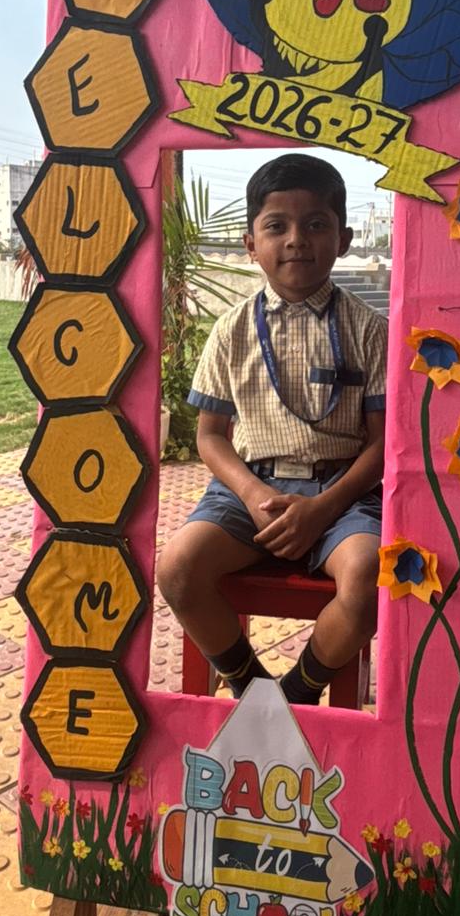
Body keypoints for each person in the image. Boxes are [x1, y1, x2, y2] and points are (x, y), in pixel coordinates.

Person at [157, 154, 386, 704]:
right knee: (177, 569)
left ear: (344, 238)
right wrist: (253, 494)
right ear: (250, 244)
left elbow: (383, 443)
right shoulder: (231, 330)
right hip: (248, 491)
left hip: (343, 494)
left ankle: (299, 691)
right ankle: (254, 690)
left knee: (369, 576)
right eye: (276, 226)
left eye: (316, 224)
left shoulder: (370, 330)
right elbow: (210, 436)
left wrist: (323, 508)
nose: (296, 240)